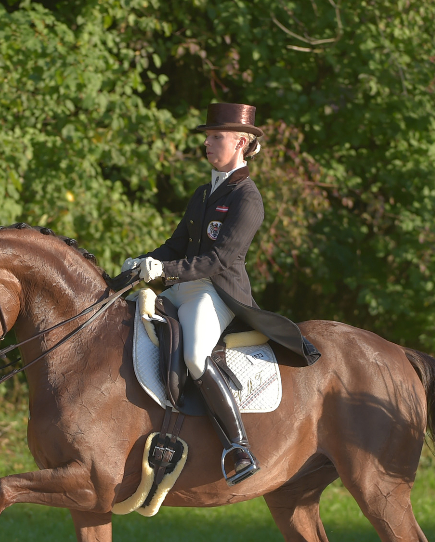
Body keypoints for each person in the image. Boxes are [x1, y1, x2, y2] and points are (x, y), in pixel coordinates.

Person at [123, 103, 320, 485]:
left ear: (242, 142)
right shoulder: (202, 193)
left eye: (217, 137)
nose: (208, 144)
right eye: (208, 137)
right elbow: (176, 244)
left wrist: (165, 271)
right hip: (183, 286)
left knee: (196, 354)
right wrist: (143, 262)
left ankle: (238, 446)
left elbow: (219, 259)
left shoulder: (248, 198)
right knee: (124, 318)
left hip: (215, 292)